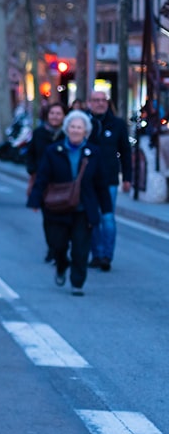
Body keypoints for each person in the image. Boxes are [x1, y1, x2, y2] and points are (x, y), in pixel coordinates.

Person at [27, 110, 112, 295]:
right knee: (58, 244)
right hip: (58, 207)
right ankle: (61, 264)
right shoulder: (53, 151)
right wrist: (34, 200)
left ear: (85, 132)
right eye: (72, 127)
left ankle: (77, 283)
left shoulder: (93, 153)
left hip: (83, 208)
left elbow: (101, 182)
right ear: (67, 129)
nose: (75, 130)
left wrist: (106, 209)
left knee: (81, 248)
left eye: (79, 127)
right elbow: (42, 177)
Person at [86, 90, 131, 271]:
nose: (99, 103)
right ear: (90, 103)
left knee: (108, 217)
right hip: (88, 180)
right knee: (92, 217)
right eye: (95, 100)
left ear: (107, 102)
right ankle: (95, 254)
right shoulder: (84, 123)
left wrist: (127, 178)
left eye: (102, 100)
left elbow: (126, 152)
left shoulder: (117, 124)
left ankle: (106, 255)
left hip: (109, 179)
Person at [25, 102, 66, 263]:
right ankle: (52, 247)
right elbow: (30, 154)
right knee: (48, 217)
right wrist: (32, 170)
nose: (55, 117)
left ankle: (61, 247)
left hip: (63, 183)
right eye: (52, 113)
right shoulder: (39, 133)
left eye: (58, 113)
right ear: (47, 116)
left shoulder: (68, 135)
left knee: (62, 218)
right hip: (43, 182)